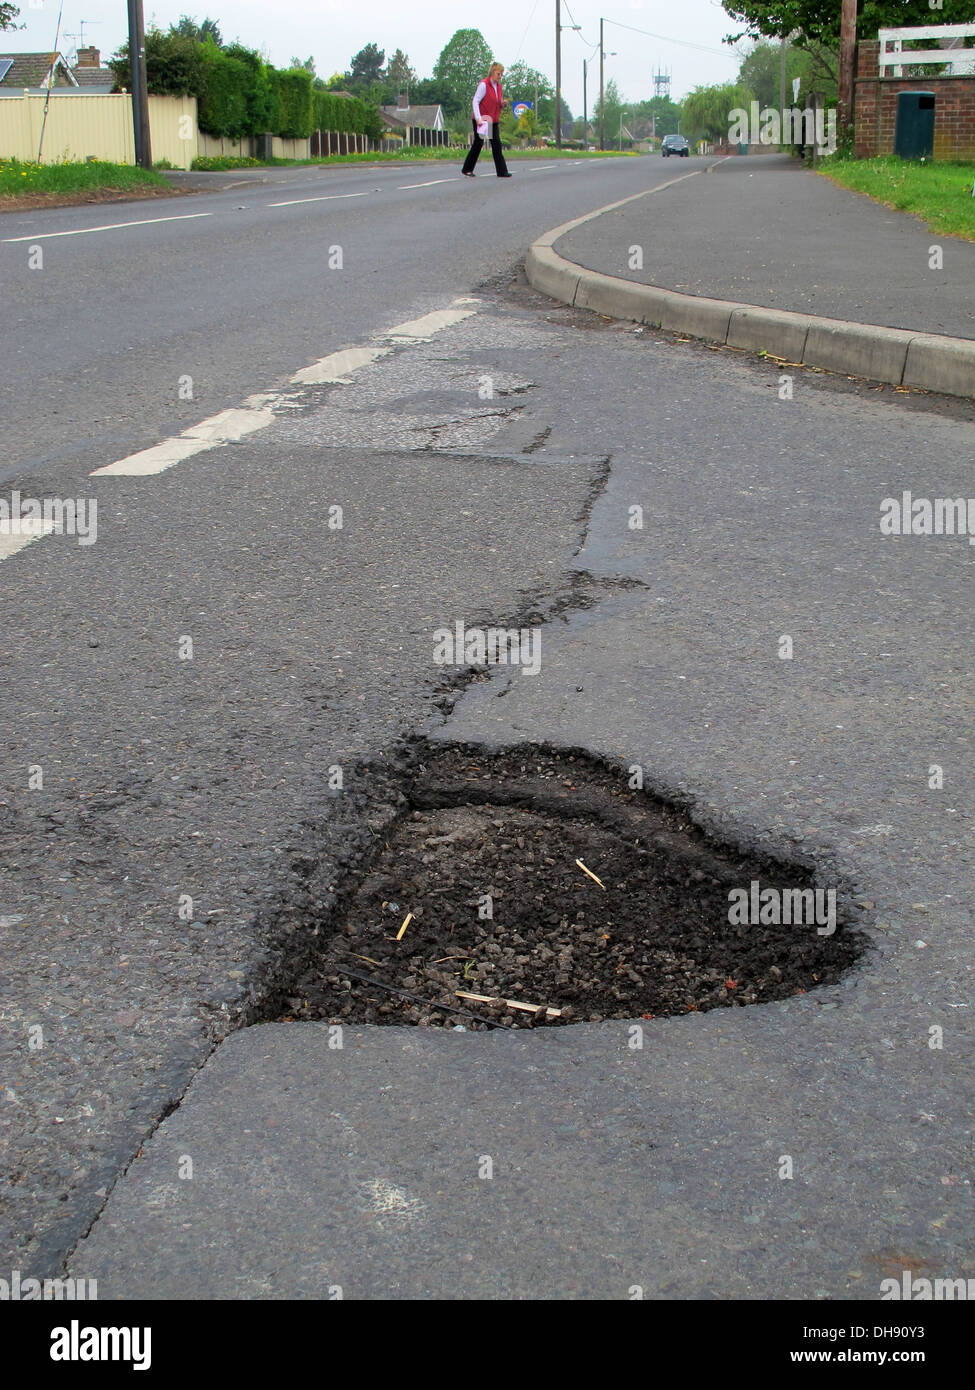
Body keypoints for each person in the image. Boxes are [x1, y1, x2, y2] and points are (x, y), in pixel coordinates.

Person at [461, 62, 512, 179]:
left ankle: (502, 171)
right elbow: (475, 101)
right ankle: (467, 169)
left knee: (496, 145)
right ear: (492, 72)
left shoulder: (498, 87)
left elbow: (496, 102)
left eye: (501, 74)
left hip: (493, 120)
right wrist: (478, 118)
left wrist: (502, 104)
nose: (500, 76)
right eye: (498, 74)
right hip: (483, 119)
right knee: (478, 144)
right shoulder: (484, 85)